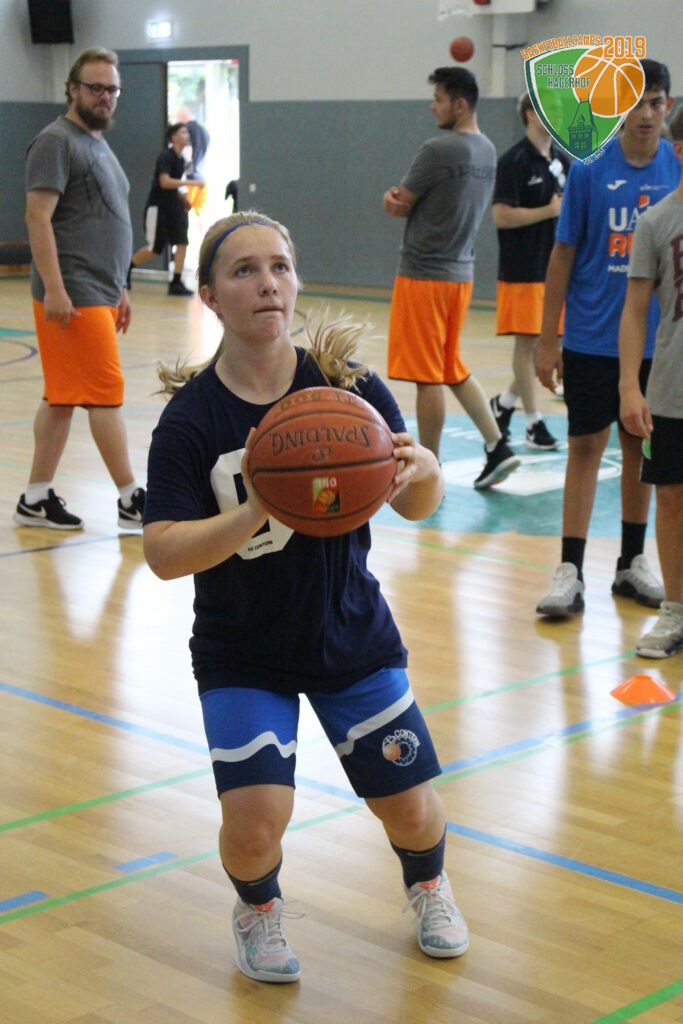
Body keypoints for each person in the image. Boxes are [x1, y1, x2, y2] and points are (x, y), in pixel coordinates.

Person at [142, 210, 469, 984]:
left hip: (350, 634)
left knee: (410, 809)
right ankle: (257, 909)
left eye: (279, 267)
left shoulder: (346, 389)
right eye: (244, 270)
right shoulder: (190, 421)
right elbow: (162, 554)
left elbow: (416, 503)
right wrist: (257, 505)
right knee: (255, 822)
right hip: (242, 647)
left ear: (295, 281)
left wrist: (426, 473)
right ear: (210, 295)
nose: (267, 283)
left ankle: (428, 886)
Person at [535, 60, 680, 617]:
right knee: (585, 446)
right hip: (592, 336)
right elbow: (562, 256)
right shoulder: (590, 169)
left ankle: (630, 563)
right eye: (635, 102)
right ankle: (570, 568)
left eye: (655, 102)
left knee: (641, 449)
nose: (646, 113)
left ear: (668, 107)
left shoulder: (675, 166)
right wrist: (548, 338)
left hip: (656, 345)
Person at [13, 46, 145, 532]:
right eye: (95, 87)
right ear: (72, 89)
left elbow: (106, 221)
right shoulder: (56, 141)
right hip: (73, 294)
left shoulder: (97, 144)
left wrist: (121, 286)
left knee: (62, 397)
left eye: (112, 89)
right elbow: (38, 218)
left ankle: (35, 498)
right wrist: (55, 288)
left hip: (100, 292)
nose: (104, 96)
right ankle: (131, 499)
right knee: (105, 394)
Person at [383, 67, 519, 489]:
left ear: (460, 105)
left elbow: (401, 201)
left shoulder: (438, 149)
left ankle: (430, 470)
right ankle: (497, 446)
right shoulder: (487, 150)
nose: (432, 107)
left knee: (428, 378)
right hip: (461, 275)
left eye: (439, 99)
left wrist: (390, 199)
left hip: (425, 276)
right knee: (450, 368)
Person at [618, 103, 683, 658]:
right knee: (672, 498)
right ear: (679, 150)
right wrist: (629, 386)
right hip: (671, 389)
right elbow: (636, 310)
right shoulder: (657, 222)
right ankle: (675, 611)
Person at [490, 92, 570, 451]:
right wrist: (547, 212)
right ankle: (533, 422)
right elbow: (501, 216)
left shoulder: (563, 161)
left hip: (555, 268)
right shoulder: (514, 161)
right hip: (522, 267)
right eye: (549, 109)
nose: (556, 115)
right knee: (527, 344)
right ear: (530, 114)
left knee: (548, 344)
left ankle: (504, 403)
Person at [130, 123, 203, 296]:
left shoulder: (182, 159)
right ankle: (126, 269)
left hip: (174, 207)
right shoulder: (166, 157)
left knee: (182, 242)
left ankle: (176, 282)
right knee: (154, 249)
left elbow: (175, 185)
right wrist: (191, 183)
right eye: (183, 132)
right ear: (173, 137)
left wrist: (183, 198)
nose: (187, 134)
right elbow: (165, 182)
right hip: (159, 207)